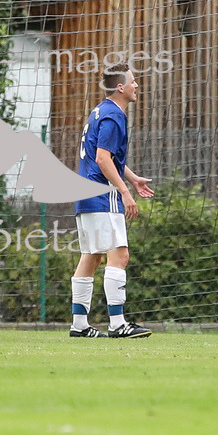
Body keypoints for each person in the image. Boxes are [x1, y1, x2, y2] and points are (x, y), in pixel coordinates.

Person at [69, 62, 155, 338]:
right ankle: (118, 324)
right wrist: (124, 191)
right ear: (120, 87)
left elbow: (108, 156)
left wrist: (131, 178)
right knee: (119, 254)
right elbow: (102, 158)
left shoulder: (100, 111)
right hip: (102, 194)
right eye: (133, 81)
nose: (136, 86)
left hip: (86, 194)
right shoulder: (113, 115)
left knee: (91, 256)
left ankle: (79, 325)